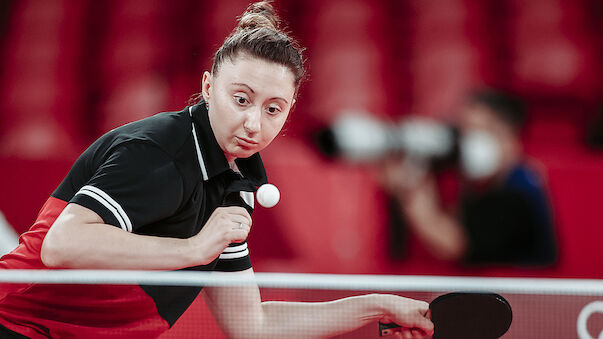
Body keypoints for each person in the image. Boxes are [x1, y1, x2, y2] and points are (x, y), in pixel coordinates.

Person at [0, 2, 433, 338]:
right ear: (208, 87)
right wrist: (194, 250)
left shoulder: (236, 183)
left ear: (290, 113)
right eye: (240, 99)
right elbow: (62, 244)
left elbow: (253, 326)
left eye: (272, 109)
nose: (252, 123)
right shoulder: (157, 151)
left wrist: (379, 305)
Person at [382, 89, 557, 266]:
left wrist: (414, 191)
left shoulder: (520, 189)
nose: (467, 142)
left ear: (509, 136)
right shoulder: (474, 183)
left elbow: (453, 245)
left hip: (516, 291)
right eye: (465, 132)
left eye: (479, 133)